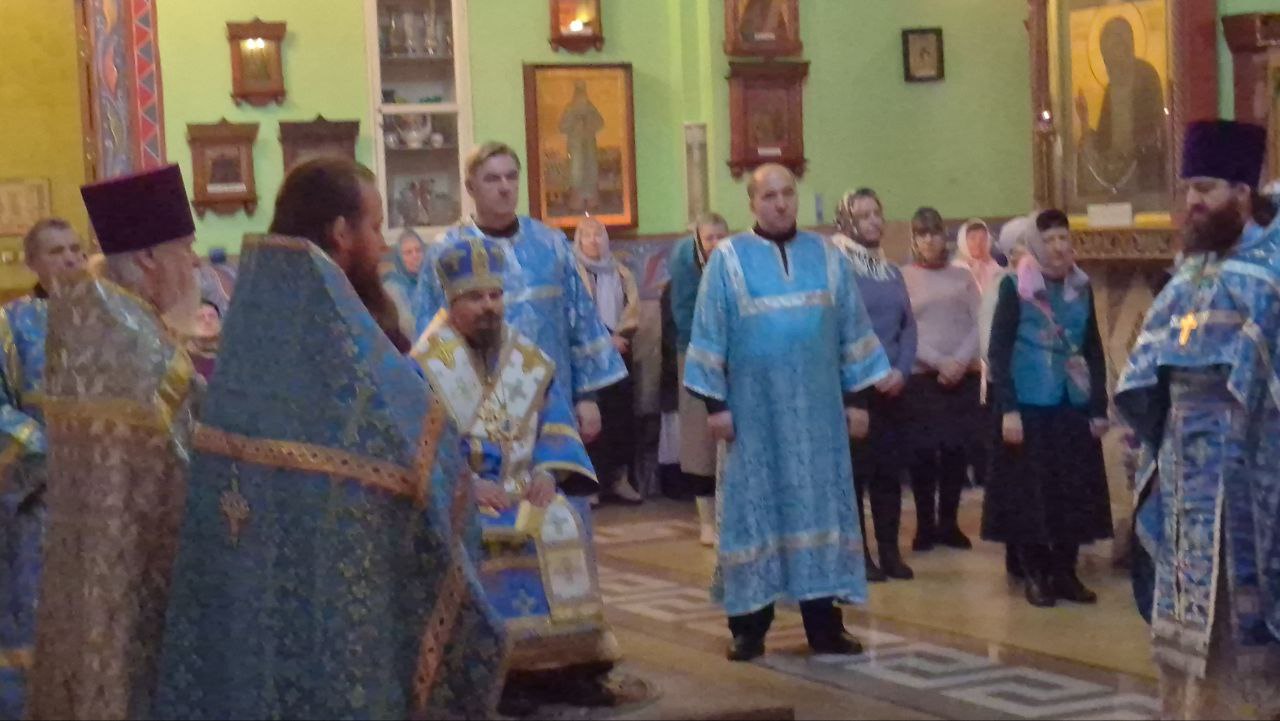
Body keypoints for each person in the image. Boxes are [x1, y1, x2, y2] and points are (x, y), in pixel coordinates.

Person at [153, 158, 507, 719]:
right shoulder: (340, 336)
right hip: (340, 590)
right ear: (341, 232)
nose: (383, 244)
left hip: (254, 583)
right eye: (375, 226)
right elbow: (413, 446)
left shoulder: (257, 317)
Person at [416, 234, 633, 714]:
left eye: (495, 295)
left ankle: (570, 667)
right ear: (451, 302)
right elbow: (422, 444)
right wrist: (468, 484)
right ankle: (506, 672)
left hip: (525, 486)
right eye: (475, 297)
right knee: (494, 537)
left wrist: (549, 473)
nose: (489, 307)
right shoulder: (427, 365)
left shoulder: (525, 357)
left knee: (561, 522)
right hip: (464, 495)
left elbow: (555, 420)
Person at [685, 164, 891, 662]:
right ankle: (749, 627)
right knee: (754, 513)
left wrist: (858, 400)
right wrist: (716, 406)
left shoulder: (827, 256)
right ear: (752, 204)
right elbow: (709, 334)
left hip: (819, 418)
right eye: (769, 196)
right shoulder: (727, 259)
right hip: (754, 418)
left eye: (787, 193)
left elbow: (852, 331)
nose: (780, 203)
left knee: (819, 511)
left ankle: (825, 626)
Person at [1115, 120, 1280, 720]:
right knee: (1190, 619)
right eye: (1188, 189)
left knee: (1245, 606)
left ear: (1242, 191)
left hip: (1250, 471)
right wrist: (1144, 428)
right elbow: (1147, 364)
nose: (1193, 201)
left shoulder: (1273, 269)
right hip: (1184, 472)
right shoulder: (1189, 270)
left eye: (1205, 188)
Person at [29, 165, 202, 720]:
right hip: (141, 567)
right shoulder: (147, 352)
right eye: (185, 249)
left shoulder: (82, 324)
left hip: (81, 561)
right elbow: (189, 468)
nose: (195, 262)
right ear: (149, 258)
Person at [411, 142, 626, 493]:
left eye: (511, 177)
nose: (505, 187)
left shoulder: (551, 244)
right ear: (470, 187)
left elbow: (581, 319)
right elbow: (428, 336)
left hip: (549, 405)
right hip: (472, 414)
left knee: (554, 506)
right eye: (492, 179)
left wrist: (588, 397)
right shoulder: (446, 250)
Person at [981, 209, 1112, 610]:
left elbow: (1093, 347)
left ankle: (1065, 572)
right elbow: (998, 350)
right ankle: (1036, 574)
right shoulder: (1014, 287)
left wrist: (1098, 406)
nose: (1058, 247)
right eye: (1050, 240)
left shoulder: (1081, 287)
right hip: (1030, 403)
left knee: (1072, 491)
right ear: (1036, 246)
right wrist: (1008, 409)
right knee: (1031, 495)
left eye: (1063, 239)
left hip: (1072, 401)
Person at [0, 219, 86, 718]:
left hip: (103, 504)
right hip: (38, 506)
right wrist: (49, 456)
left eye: (76, 249)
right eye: (56, 251)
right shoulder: (10, 325)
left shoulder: (113, 322)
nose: (70, 259)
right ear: (32, 262)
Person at [830, 189, 917, 581]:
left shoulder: (890, 270)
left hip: (893, 388)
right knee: (855, 476)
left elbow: (908, 326)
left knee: (888, 474)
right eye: (863, 215)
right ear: (848, 222)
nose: (873, 221)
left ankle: (890, 552)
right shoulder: (838, 268)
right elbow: (840, 331)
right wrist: (858, 389)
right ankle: (858, 555)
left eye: (877, 213)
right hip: (856, 392)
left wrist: (901, 370)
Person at [902, 207, 983, 552]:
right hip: (922, 376)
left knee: (955, 450)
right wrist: (938, 361)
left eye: (935, 232)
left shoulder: (962, 276)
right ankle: (925, 526)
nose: (929, 240)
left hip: (962, 375)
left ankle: (949, 523)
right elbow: (904, 327)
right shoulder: (903, 277)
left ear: (945, 236)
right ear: (914, 239)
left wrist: (960, 360)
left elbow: (980, 321)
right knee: (923, 452)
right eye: (922, 234)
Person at [668, 212, 731, 545]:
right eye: (709, 238)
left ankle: (730, 514)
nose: (716, 244)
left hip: (733, 356)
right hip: (695, 352)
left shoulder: (735, 261)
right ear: (698, 241)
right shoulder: (686, 264)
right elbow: (687, 316)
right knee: (699, 438)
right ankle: (707, 520)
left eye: (722, 237)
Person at [573, 216, 642, 504]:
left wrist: (620, 335)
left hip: (618, 352)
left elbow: (632, 308)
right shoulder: (573, 272)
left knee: (620, 418)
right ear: (578, 241)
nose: (594, 241)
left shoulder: (620, 272)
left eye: (598, 234)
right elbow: (577, 314)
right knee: (591, 420)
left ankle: (619, 479)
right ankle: (591, 483)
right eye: (587, 235)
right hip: (587, 354)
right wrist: (603, 340)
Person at [1075, 16, 1168, 202]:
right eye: (1105, 53)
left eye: (1114, 48)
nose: (1109, 60)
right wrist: (1084, 121)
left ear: (1128, 46)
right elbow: (1103, 140)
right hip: (1116, 173)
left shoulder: (1146, 76)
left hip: (1143, 168)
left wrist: (1132, 150)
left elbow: (1157, 125)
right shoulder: (1111, 89)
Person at [560, 81, 605, 213]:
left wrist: (589, 119)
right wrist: (573, 118)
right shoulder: (570, 108)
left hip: (589, 147)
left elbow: (600, 123)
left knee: (591, 172)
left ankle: (592, 202)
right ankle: (576, 203)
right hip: (575, 148)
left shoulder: (591, 108)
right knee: (576, 173)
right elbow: (562, 127)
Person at [382, 228, 426, 340]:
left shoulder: (429, 282)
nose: (415, 256)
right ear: (399, 257)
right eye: (408, 253)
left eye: (418, 250)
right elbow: (406, 327)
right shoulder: (392, 287)